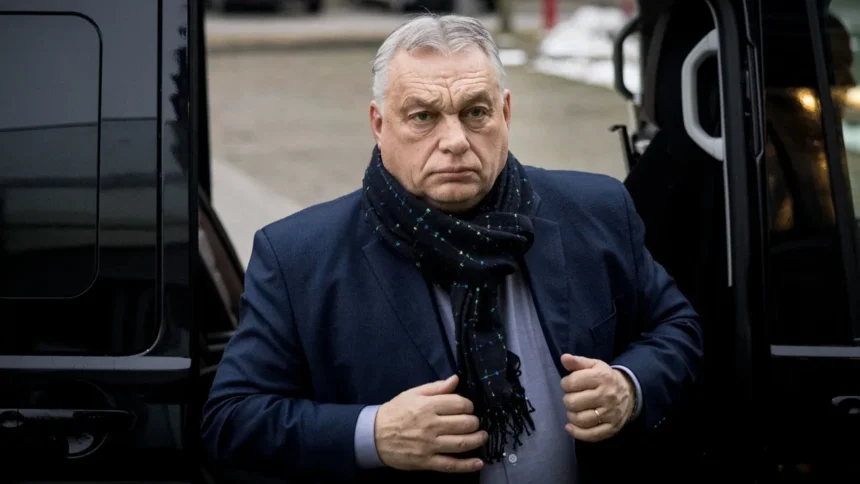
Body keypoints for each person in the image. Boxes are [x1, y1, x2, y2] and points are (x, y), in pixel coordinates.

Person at [201, 14, 703, 484]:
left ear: (505, 112)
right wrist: (374, 433)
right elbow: (231, 419)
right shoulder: (298, 257)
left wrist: (629, 386)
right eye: (423, 116)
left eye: (475, 112)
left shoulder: (597, 210)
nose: (455, 140)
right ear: (379, 124)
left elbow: (676, 327)